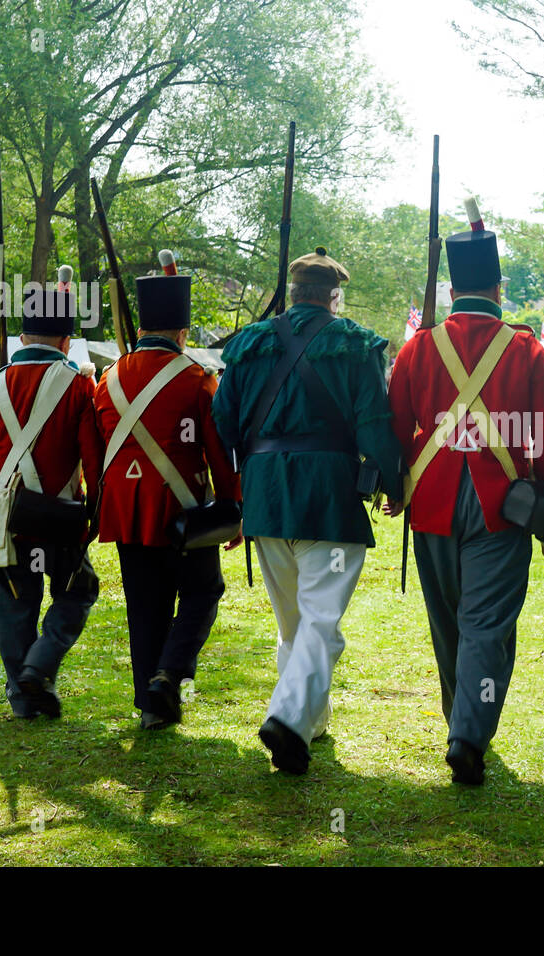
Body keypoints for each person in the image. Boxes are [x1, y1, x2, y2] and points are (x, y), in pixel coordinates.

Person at [385, 221, 544, 786]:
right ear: (498, 286)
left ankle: (460, 720)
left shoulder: (418, 348)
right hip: (502, 503)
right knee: (486, 623)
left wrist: (396, 489)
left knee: (448, 622)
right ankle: (467, 732)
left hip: (432, 501)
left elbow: (396, 426)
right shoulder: (525, 347)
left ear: (453, 288)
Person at [213, 247, 402, 774]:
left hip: (268, 495)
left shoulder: (251, 342)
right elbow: (372, 423)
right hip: (327, 495)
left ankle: (309, 721)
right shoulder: (354, 343)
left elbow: (224, 421)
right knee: (320, 619)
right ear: (333, 296)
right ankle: (290, 717)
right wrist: (392, 478)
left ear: (295, 292)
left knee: (294, 621)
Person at [94, 270, 243, 730]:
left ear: (140, 330)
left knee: (144, 603)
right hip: (183, 507)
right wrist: (232, 508)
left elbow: (100, 446)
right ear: (182, 333)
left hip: (125, 508)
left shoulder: (107, 378)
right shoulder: (198, 378)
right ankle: (169, 676)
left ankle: (151, 706)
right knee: (203, 591)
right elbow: (218, 453)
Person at [0, 287, 103, 720]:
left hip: (10, 523)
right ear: (66, 341)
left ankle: (24, 695)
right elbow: (94, 462)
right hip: (62, 522)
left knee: (13, 607)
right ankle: (40, 668)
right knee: (76, 593)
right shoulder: (79, 385)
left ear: (22, 338)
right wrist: (92, 513)